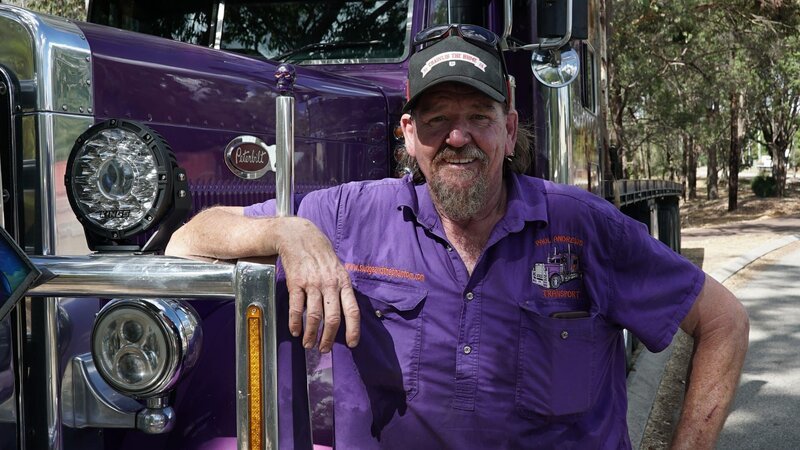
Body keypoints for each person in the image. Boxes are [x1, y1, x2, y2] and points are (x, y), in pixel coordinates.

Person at [166, 24, 749, 449]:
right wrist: (286, 230)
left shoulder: (582, 224)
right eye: (438, 118)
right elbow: (186, 242)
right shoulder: (349, 215)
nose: (458, 137)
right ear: (408, 134)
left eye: (478, 116)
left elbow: (723, 320)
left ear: (510, 129)